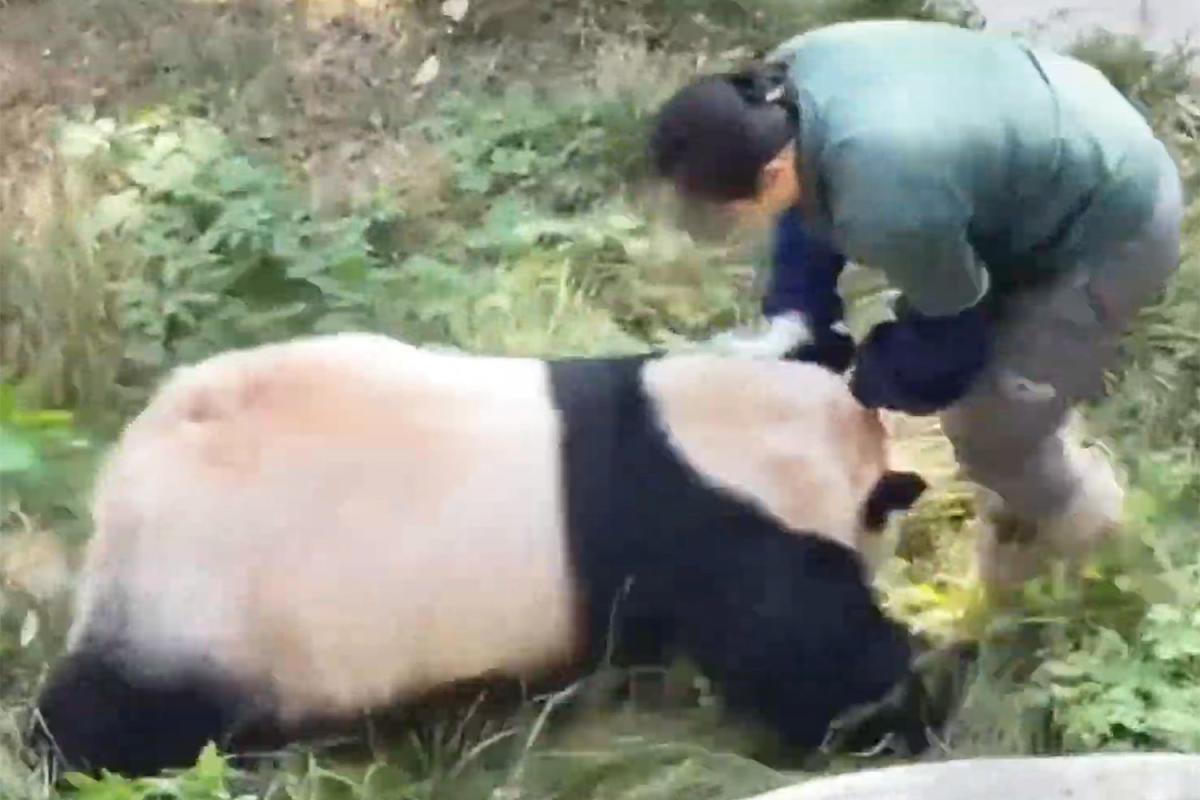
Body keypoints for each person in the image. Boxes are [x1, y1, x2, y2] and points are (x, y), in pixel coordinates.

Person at [648, 19, 1184, 586]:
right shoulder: (785, 83)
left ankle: (1087, 564)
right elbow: (809, 208)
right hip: (1044, 124)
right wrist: (798, 319)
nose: (734, 222)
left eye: (732, 209)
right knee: (975, 352)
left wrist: (857, 390)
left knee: (994, 431)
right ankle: (1037, 487)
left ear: (774, 170)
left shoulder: (890, 201)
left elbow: (950, 344)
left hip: (1111, 219)